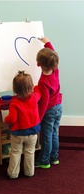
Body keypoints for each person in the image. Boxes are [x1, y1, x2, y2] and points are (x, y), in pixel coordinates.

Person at [5, 71, 41, 179]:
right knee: (30, 152)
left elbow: (11, 119)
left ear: (15, 89)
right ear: (31, 87)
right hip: (33, 132)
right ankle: (29, 172)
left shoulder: (14, 103)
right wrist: (36, 87)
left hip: (18, 133)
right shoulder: (34, 97)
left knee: (15, 153)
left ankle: (13, 174)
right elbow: (39, 91)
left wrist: (5, 119)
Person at [35, 37, 62, 169]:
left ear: (38, 64)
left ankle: (44, 161)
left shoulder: (43, 82)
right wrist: (47, 42)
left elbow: (44, 102)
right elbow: (52, 53)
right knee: (54, 132)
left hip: (49, 109)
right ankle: (54, 158)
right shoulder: (55, 70)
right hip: (58, 107)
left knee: (46, 136)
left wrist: (39, 118)